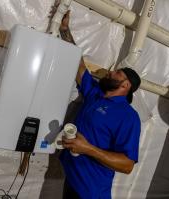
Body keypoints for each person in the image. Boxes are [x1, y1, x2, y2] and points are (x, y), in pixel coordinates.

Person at [58, 11, 142, 199]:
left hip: (90, 192)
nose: (111, 72)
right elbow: (78, 65)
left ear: (126, 85)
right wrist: (65, 30)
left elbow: (127, 165)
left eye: (117, 73)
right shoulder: (96, 94)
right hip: (72, 179)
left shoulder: (128, 116)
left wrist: (87, 148)